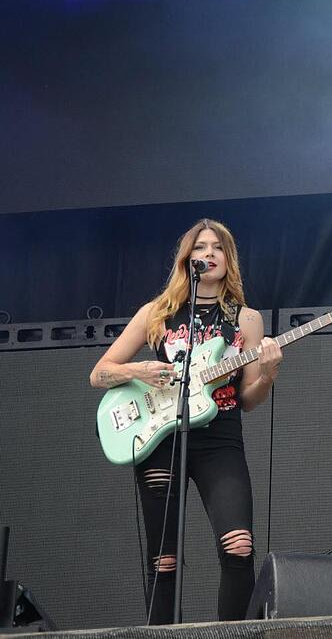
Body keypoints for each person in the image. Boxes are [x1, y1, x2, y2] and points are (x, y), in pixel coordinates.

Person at [90, 219, 282, 624]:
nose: (208, 254)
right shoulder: (156, 313)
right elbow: (99, 373)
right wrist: (138, 370)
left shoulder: (245, 320)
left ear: (229, 260)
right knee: (164, 559)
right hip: (160, 440)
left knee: (239, 546)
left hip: (220, 439)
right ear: (187, 259)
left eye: (217, 248)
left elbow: (249, 400)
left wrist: (266, 374)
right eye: (200, 247)